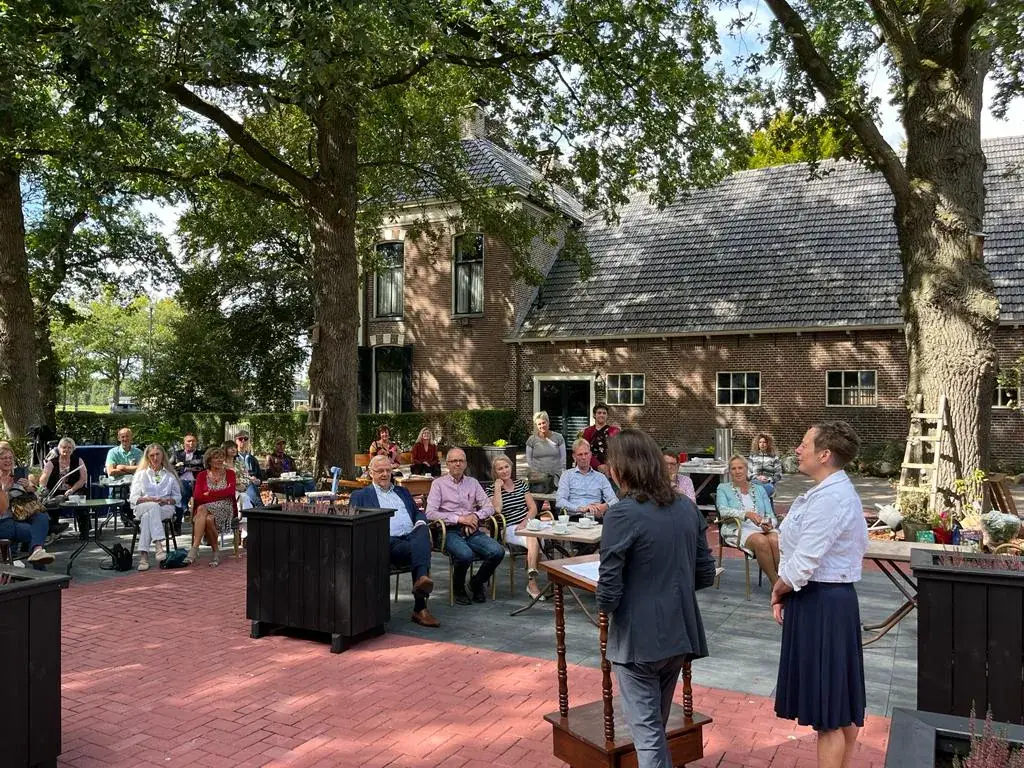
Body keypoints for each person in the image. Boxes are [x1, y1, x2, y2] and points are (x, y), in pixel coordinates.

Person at [597, 429, 716, 768]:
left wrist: (608, 608)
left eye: (611, 464)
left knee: (648, 736)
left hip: (638, 637)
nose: (608, 469)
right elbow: (705, 573)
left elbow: (609, 586)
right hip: (679, 632)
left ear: (624, 468)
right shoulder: (686, 508)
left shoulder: (621, 514)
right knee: (655, 730)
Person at [772, 421, 868, 768]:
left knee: (831, 712)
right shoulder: (831, 492)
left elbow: (804, 562)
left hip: (821, 603)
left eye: (803, 444)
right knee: (839, 708)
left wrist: (778, 590)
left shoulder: (832, 497)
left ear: (824, 455)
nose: (798, 450)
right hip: (826, 600)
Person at [351, 456, 439, 627]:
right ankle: (420, 606)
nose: (385, 474)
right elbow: (356, 522)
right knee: (421, 547)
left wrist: (421, 521)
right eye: (380, 471)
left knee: (421, 533)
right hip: (387, 542)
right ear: (370, 473)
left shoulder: (403, 491)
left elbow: (417, 512)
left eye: (388, 470)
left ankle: (421, 581)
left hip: (411, 537)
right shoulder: (360, 495)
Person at [425, 447, 505, 605]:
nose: (457, 464)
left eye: (461, 461)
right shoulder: (438, 484)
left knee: (497, 551)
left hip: (472, 529)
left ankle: (476, 583)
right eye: (454, 461)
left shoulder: (472, 483)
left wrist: (474, 516)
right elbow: (430, 513)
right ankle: (458, 587)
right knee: (465, 555)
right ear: (447, 464)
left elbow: (489, 507)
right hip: (449, 531)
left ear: (466, 464)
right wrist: (459, 519)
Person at [716, 455, 780, 584]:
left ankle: (782, 580)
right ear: (729, 471)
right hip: (737, 527)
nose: (737, 471)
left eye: (740, 467)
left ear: (747, 469)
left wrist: (769, 524)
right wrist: (746, 514)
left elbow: (771, 515)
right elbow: (723, 511)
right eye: (733, 468)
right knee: (761, 541)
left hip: (760, 527)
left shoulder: (759, 489)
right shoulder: (723, 488)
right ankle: (776, 584)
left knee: (775, 539)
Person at [488, 455, 545, 600]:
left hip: (527, 525)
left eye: (506, 467)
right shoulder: (491, 489)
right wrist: (497, 488)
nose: (504, 471)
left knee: (537, 536)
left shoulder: (521, 484)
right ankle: (532, 582)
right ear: (495, 472)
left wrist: (525, 521)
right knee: (534, 538)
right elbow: (498, 510)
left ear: (511, 467)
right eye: (500, 469)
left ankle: (533, 575)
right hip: (509, 529)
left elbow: (533, 508)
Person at [128, 443, 181, 572]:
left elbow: (177, 497)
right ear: (147, 457)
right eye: (151, 455)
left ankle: (144, 557)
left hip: (164, 507)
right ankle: (158, 546)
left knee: (149, 516)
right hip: (143, 506)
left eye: (157, 454)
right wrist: (148, 499)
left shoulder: (170, 475)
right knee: (152, 507)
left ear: (163, 455)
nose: (155, 458)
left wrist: (166, 500)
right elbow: (133, 498)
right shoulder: (141, 474)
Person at [0, 446, 55, 567]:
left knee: (42, 516)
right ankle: (40, 571)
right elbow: (2, 509)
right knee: (35, 534)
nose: (8, 461)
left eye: (10, 458)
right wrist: (4, 490)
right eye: (3, 458)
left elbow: (34, 500)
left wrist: (30, 489)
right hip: (4, 522)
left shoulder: (17, 476)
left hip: (21, 515)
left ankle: (37, 552)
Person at [187, 447, 236, 567]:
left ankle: (194, 549)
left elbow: (230, 492)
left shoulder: (230, 473)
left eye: (221, 457)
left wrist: (210, 494)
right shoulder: (202, 475)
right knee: (207, 517)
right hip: (206, 508)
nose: (220, 460)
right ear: (209, 461)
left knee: (201, 509)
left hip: (225, 507)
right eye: (216, 457)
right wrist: (219, 494)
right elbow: (198, 497)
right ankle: (215, 554)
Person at [39, 437, 88, 537]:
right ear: (59, 448)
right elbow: (44, 479)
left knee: (81, 498)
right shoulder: (51, 462)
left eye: (69, 448)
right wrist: (42, 488)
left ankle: (84, 530)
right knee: (49, 500)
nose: (66, 450)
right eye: (64, 447)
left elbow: (83, 479)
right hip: (56, 490)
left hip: (73, 489)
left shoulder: (78, 461)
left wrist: (72, 489)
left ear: (73, 449)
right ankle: (53, 527)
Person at [556, 438, 617, 518]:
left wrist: (605, 506)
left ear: (590, 455)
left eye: (586, 454)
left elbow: (615, 500)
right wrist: (580, 509)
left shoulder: (600, 477)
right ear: (574, 456)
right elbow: (560, 501)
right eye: (580, 454)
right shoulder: (567, 475)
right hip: (574, 517)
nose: (584, 457)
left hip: (595, 518)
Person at [525, 411, 566, 493]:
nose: (542, 426)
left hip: (555, 477)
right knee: (537, 504)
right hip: (538, 478)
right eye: (539, 424)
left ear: (548, 422)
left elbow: (563, 457)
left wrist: (562, 474)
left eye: (544, 423)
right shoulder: (531, 440)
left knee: (556, 505)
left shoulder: (558, 437)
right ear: (536, 426)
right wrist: (534, 473)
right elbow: (529, 459)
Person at [171, 434, 204, 533]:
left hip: (197, 481)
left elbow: (201, 463)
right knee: (183, 489)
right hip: (181, 481)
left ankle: (186, 512)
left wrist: (183, 465)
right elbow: (170, 466)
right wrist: (187, 468)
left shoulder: (201, 453)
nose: (191, 443)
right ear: (184, 443)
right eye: (188, 441)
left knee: (188, 496)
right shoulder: (177, 454)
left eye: (193, 441)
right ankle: (181, 518)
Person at [582, 402, 620, 476]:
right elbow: (584, 450)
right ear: (594, 415)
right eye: (599, 413)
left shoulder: (614, 431)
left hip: (611, 471)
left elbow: (618, 451)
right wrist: (598, 465)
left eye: (604, 413)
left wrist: (609, 466)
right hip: (591, 469)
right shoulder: (588, 431)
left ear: (607, 415)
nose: (601, 415)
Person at [747, 433, 783, 498]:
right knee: (757, 489)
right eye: (760, 442)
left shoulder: (774, 458)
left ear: (768, 444)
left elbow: (779, 475)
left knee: (765, 490)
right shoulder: (752, 457)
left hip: (769, 484)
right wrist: (756, 477)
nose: (762, 444)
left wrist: (769, 479)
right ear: (757, 444)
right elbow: (748, 473)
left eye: (764, 442)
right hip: (755, 482)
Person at [234, 430, 263, 508]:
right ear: (236, 441)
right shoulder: (233, 458)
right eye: (240, 439)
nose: (243, 441)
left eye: (246, 439)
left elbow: (260, 476)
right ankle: (262, 509)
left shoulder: (253, 459)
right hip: (239, 484)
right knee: (256, 499)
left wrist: (258, 480)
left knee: (252, 487)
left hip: (252, 485)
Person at [223, 441, 253, 511]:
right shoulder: (221, 464)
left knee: (245, 496)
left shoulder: (239, 464)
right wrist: (235, 483)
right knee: (244, 497)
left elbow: (247, 478)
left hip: (242, 489)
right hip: (227, 491)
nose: (234, 449)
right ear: (225, 449)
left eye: (235, 447)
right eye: (230, 448)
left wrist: (240, 483)